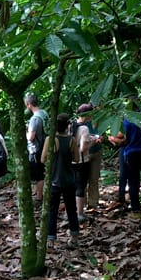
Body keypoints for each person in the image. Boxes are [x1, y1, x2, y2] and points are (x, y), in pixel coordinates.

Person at [112, 100, 141, 215]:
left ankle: (136, 210)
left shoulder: (128, 121)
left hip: (131, 154)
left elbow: (124, 140)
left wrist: (113, 140)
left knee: (133, 182)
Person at [41, 114, 80, 248]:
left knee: (52, 210)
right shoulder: (72, 140)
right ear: (67, 125)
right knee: (71, 209)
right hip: (69, 179)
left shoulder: (50, 140)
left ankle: (51, 240)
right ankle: (74, 237)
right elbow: (77, 159)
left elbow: (43, 159)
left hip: (54, 180)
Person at [73, 103, 103, 222]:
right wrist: (93, 141)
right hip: (84, 156)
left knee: (93, 179)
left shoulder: (97, 120)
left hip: (96, 152)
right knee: (82, 182)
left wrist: (99, 139)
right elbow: (81, 146)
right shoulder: (78, 125)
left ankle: (93, 203)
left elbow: (101, 133)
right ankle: (81, 206)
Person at [24, 93, 49, 203]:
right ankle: (40, 193)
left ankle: (39, 198)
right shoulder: (44, 114)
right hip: (45, 146)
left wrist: (25, 132)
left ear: (28, 105)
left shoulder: (34, 119)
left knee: (38, 174)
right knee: (42, 171)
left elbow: (30, 137)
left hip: (36, 149)